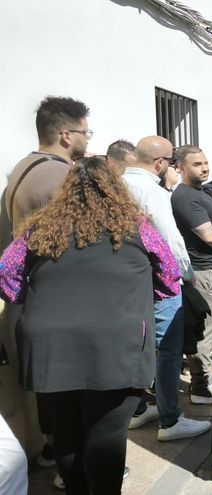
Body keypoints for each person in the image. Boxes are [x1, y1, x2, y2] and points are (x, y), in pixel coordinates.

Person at [0, 156, 180, 494]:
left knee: (66, 433)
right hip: (115, 340)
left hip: (50, 342)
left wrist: (32, 293)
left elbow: (6, 274)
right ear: (116, 190)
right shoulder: (137, 227)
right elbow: (170, 278)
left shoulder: (40, 229)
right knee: (107, 433)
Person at [1, 96, 90, 469]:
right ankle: (70, 459)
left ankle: (54, 449)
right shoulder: (60, 176)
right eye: (86, 132)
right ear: (66, 135)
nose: (89, 139)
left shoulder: (22, 168)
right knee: (70, 392)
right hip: (59, 298)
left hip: (33, 299)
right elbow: (81, 242)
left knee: (50, 390)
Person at [123, 136, 209, 441]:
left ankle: (138, 409)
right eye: (171, 161)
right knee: (168, 348)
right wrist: (186, 274)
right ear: (160, 163)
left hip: (126, 281)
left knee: (137, 347)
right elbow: (170, 240)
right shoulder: (152, 191)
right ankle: (171, 419)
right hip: (159, 279)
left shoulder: (117, 185)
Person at [170, 145, 212, 404]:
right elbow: (209, 236)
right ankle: (201, 387)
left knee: (210, 331)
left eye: (206, 162)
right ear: (181, 168)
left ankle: (203, 381)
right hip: (206, 272)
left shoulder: (197, 192)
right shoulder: (185, 196)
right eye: (197, 164)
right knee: (204, 333)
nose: (204, 167)